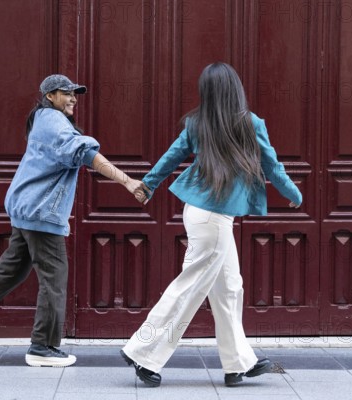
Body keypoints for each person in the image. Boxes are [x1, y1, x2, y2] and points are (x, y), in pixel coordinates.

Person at [0, 74, 147, 367]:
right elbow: (83, 152)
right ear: (50, 96)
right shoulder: (53, 121)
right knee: (54, 278)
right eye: (66, 93)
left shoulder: (45, 120)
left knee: (10, 272)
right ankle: (42, 346)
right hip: (41, 213)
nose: (73, 98)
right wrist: (127, 181)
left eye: (75, 94)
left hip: (28, 210)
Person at [121, 63, 303, 387]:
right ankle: (142, 351)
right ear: (236, 89)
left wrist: (148, 184)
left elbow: (170, 157)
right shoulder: (250, 124)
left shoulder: (197, 123)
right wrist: (294, 194)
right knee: (190, 286)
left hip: (202, 214)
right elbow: (272, 167)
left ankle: (238, 364)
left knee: (230, 288)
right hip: (213, 219)